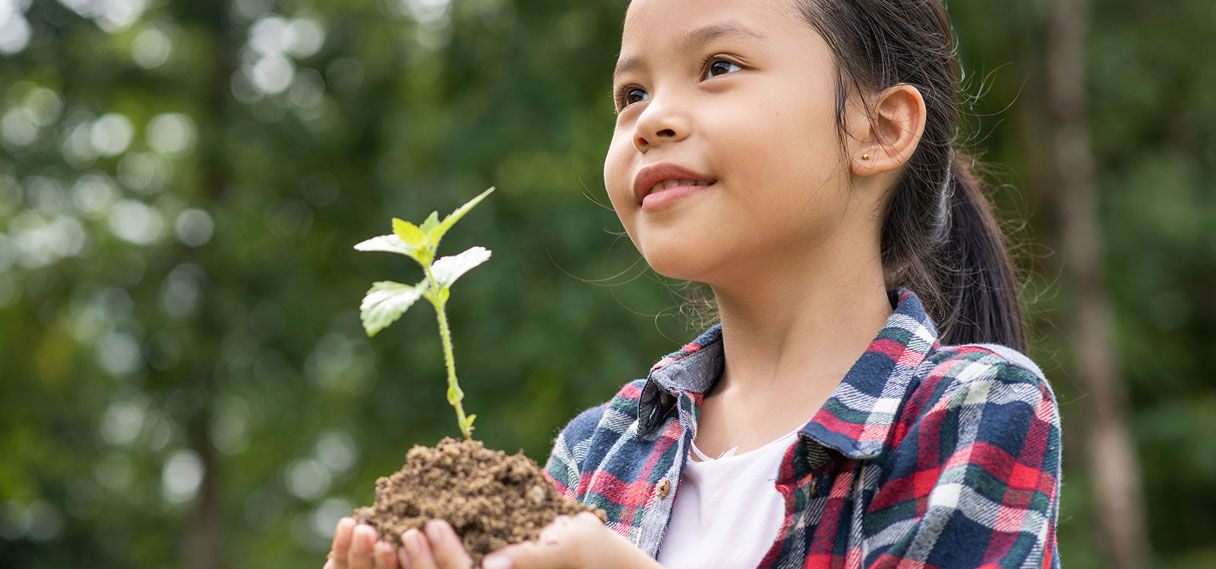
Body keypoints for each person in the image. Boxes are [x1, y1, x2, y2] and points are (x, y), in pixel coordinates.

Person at [326, 0, 1063, 566]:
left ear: (879, 129)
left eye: (717, 67)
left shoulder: (973, 409)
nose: (651, 121)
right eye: (631, 93)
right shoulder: (597, 452)